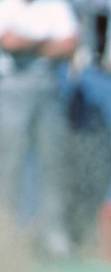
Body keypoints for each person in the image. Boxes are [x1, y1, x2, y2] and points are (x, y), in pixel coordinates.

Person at [0, 0, 79, 258]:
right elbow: (8, 42)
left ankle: (54, 235)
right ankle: (7, 236)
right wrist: (46, 43)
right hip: (11, 88)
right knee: (9, 165)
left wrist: (28, 44)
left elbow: (69, 44)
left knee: (53, 164)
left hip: (49, 90)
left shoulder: (55, 5)